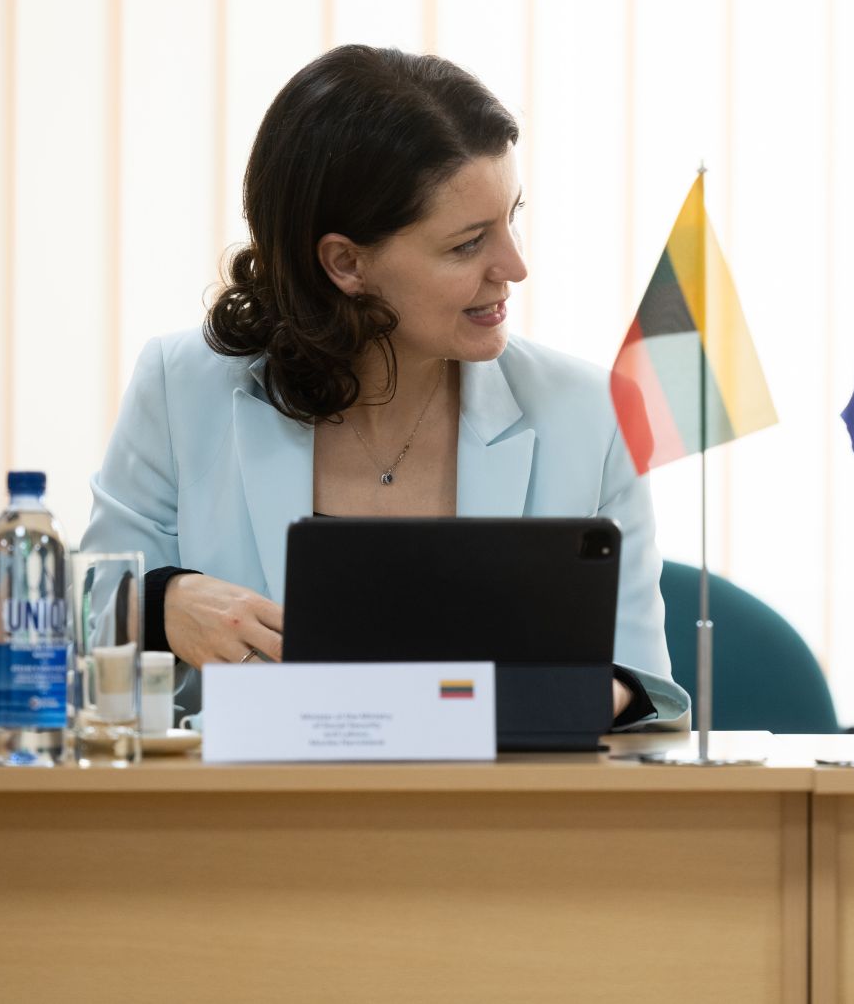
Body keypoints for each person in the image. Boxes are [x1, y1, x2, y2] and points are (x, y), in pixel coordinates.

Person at [80, 44, 688, 727]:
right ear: (345, 262)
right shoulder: (180, 387)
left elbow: (649, 692)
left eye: (512, 217)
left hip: (493, 820)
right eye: (468, 243)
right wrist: (162, 603)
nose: (515, 266)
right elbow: (82, 621)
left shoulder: (589, 413)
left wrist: (593, 695)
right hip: (242, 819)